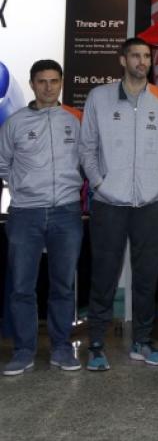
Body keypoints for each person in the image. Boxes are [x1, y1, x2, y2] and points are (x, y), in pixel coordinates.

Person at [80, 37, 158, 370]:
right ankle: (96, 344)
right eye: (136, 56)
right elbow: (86, 147)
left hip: (149, 204)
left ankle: (142, 339)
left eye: (147, 56)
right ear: (122, 60)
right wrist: (100, 183)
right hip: (109, 202)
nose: (143, 61)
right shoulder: (99, 97)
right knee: (104, 274)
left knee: (146, 276)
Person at [0, 59, 84, 375]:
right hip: (25, 214)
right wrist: (23, 187)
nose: (48, 87)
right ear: (32, 84)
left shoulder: (74, 121)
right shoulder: (14, 123)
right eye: (41, 81)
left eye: (54, 81)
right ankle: (24, 351)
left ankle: (61, 348)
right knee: (22, 287)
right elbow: (3, 163)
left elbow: (85, 159)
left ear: (61, 83)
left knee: (63, 285)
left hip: (66, 212)